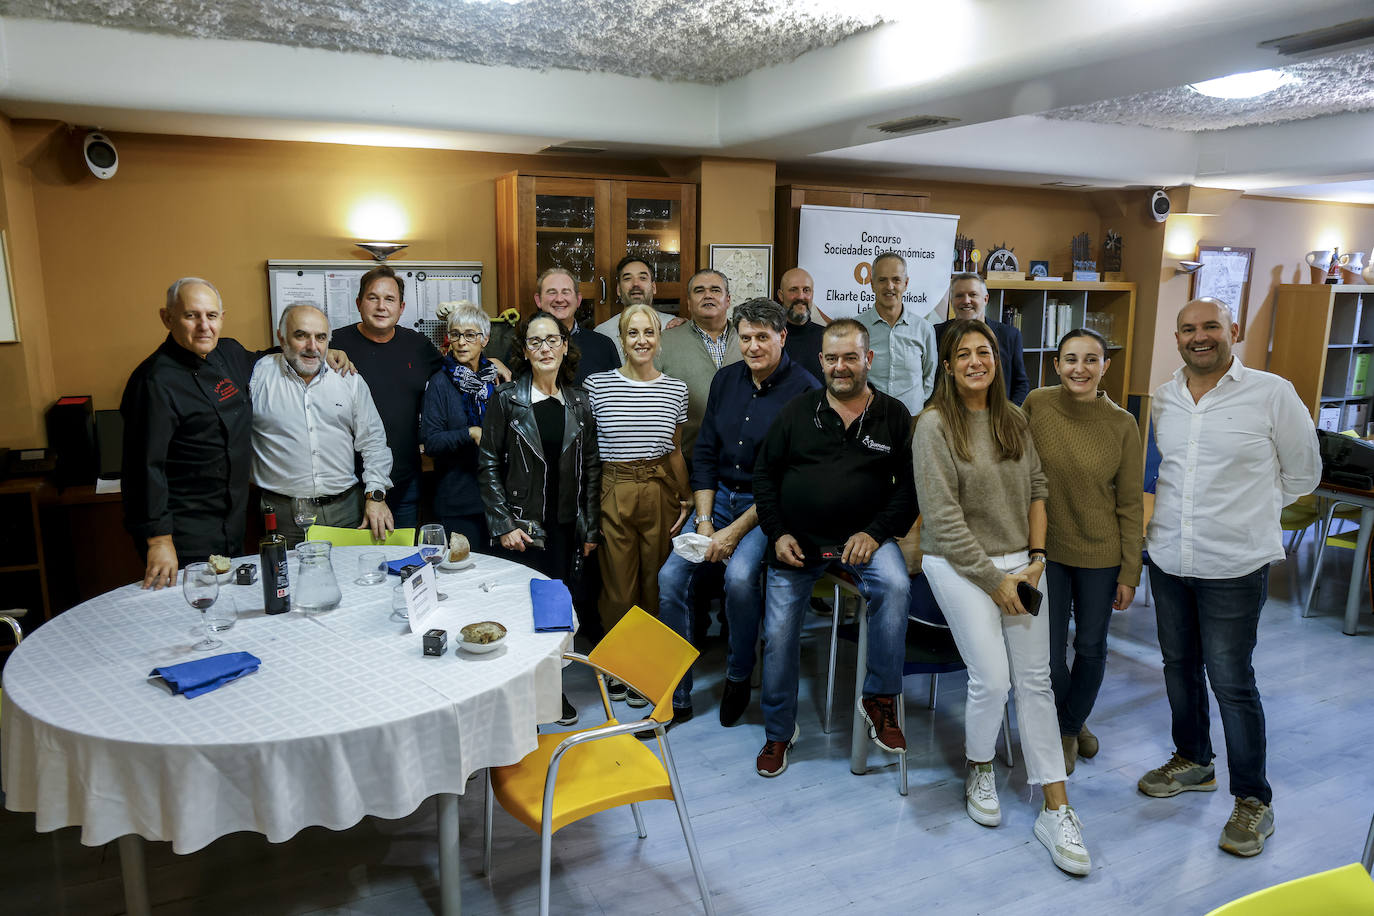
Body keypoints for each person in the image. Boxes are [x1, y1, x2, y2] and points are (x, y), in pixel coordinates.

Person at [1137, 298, 1320, 858]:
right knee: (1178, 669)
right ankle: (1194, 760)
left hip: (1234, 566)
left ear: (1232, 331)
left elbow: (1304, 474)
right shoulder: (1165, 397)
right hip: (1169, 558)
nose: (1200, 337)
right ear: (1177, 338)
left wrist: (1249, 515)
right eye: (1189, 329)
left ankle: (1253, 801)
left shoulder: (1272, 393)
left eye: (1210, 326)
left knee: (1232, 684)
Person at [914, 317, 1091, 877]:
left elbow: (1039, 489)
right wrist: (996, 583)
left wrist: (1036, 563)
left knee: (1036, 680)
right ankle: (980, 766)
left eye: (983, 351)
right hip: (959, 565)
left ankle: (1056, 808)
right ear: (947, 364)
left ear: (996, 359)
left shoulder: (1015, 418)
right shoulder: (933, 426)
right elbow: (942, 518)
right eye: (963, 353)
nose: (975, 361)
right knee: (992, 677)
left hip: (1023, 562)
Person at [752, 318, 916, 778]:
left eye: (850, 357)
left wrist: (877, 532)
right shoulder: (797, 411)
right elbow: (765, 476)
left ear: (868, 359)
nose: (840, 367)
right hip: (797, 543)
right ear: (820, 361)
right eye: (832, 358)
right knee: (781, 632)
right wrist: (777, 532)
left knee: (897, 587)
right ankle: (780, 731)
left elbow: (908, 489)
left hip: (866, 538)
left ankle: (880, 698)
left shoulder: (893, 415)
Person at [657, 298, 820, 726]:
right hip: (716, 500)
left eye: (762, 338)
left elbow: (788, 478)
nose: (752, 347)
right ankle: (678, 691)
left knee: (741, 577)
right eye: (745, 338)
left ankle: (737, 674)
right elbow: (706, 454)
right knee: (671, 577)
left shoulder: (805, 391)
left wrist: (731, 535)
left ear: (782, 337)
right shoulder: (727, 380)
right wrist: (708, 523)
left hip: (763, 507)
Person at [1023, 328, 1143, 774]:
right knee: (1049, 654)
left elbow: (1130, 503)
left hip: (1101, 552)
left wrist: (1130, 571)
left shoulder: (1122, 424)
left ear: (1105, 367)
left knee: (1091, 647)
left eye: (1091, 360)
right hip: (1046, 549)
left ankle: (1068, 728)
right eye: (1071, 359)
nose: (1080, 368)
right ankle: (1072, 722)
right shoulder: (1037, 404)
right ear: (1056, 364)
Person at [477, 311, 601, 728]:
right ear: (524, 351)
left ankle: (550, 692)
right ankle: (514, 699)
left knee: (554, 618)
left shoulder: (581, 402)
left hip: (565, 529)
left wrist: (590, 527)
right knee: (517, 616)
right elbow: (488, 462)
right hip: (522, 529)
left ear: (565, 346)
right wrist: (503, 523)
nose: (544, 348)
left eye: (552, 340)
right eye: (535, 342)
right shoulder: (507, 399)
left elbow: (592, 469)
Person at [121, 278, 257, 588]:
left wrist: (327, 352)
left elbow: (270, 357)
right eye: (191, 315)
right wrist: (158, 540)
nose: (204, 326)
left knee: (225, 609)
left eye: (211, 315)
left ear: (222, 318)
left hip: (231, 520)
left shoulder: (229, 354)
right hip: (183, 531)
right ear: (167, 318)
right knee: (188, 611)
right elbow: (144, 467)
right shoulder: (153, 381)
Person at [585, 305, 692, 654]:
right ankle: (621, 660)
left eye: (649, 332)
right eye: (633, 332)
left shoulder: (676, 389)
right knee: (618, 582)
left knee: (656, 579)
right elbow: (587, 453)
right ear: (621, 339)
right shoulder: (597, 385)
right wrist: (588, 507)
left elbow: (675, 450)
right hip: (613, 486)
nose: (641, 340)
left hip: (660, 486)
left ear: (659, 339)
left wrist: (687, 498)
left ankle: (650, 658)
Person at [251, 303, 394, 546]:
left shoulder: (349, 380)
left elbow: (373, 442)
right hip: (280, 514)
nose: (312, 346)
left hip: (346, 511)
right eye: (301, 335)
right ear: (281, 337)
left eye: (320, 337)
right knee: (286, 582)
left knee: (350, 581)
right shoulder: (258, 375)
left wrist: (376, 496)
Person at [329, 265, 444, 527]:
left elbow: (454, 372)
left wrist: (491, 361)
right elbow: (289, 354)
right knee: (353, 564)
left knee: (402, 562)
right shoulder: (334, 343)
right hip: (347, 487)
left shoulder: (418, 346)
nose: (382, 306)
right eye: (373, 298)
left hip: (405, 480)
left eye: (389, 299)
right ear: (359, 303)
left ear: (401, 308)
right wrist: (322, 352)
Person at [420, 301, 500, 549]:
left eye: (470, 335)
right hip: (457, 500)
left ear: (484, 339)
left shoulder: (496, 380)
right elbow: (431, 442)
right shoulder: (439, 383)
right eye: (455, 335)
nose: (462, 342)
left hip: (496, 499)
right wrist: (470, 433)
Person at [655, 269, 743, 460]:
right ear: (688, 302)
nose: (708, 295)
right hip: (684, 459)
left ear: (728, 300)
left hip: (742, 461)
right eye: (699, 290)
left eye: (715, 290)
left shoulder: (748, 340)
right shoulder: (663, 342)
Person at [856, 252, 938, 415]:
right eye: (882, 280)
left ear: (906, 284)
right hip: (869, 420)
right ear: (872, 284)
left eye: (896, 280)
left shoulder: (924, 329)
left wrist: (917, 405)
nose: (890, 286)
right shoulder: (856, 328)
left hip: (912, 420)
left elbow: (929, 377)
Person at [934, 273, 1031, 405]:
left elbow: (1020, 383)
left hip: (996, 417)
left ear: (985, 299)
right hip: (948, 416)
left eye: (973, 294)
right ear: (951, 301)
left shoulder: (1009, 335)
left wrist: (1009, 416)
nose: (966, 300)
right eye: (959, 295)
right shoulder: (935, 334)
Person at [527, 267, 621, 384]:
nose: (559, 299)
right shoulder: (526, 345)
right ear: (538, 300)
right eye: (552, 292)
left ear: (578, 300)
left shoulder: (603, 345)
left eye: (566, 292)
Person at [594, 255, 682, 356]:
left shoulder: (673, 327)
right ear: (618, 289)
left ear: (653, 287)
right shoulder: (602, 332)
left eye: (642, 278)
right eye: (627, 278)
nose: (635, 283)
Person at [778, 267, 826, 383]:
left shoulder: (828, 337)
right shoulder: (771, 337)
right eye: (793, 290)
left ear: (812, 294)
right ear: (781, 295)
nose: (800, 296)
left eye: (806, 290)